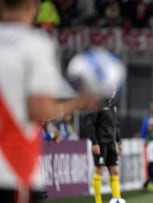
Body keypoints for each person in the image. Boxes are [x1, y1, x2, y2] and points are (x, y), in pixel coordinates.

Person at [0, 0, 98, 202]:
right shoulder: (36, 44)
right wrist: (80, 101)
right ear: (33, 7)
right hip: (13, 169)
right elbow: (40, 111)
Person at [86, 91, 124, 203]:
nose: (113, 90)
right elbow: (90, 125)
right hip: (101, 143)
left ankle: (117, 199)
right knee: (100, 170)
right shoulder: (97, 104)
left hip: (111, 143)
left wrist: (119, 141)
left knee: (115, 171)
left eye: (114, 88)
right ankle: (98, 201)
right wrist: (94, 142)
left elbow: (115, 125)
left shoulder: (113, 105)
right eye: (110, 87)